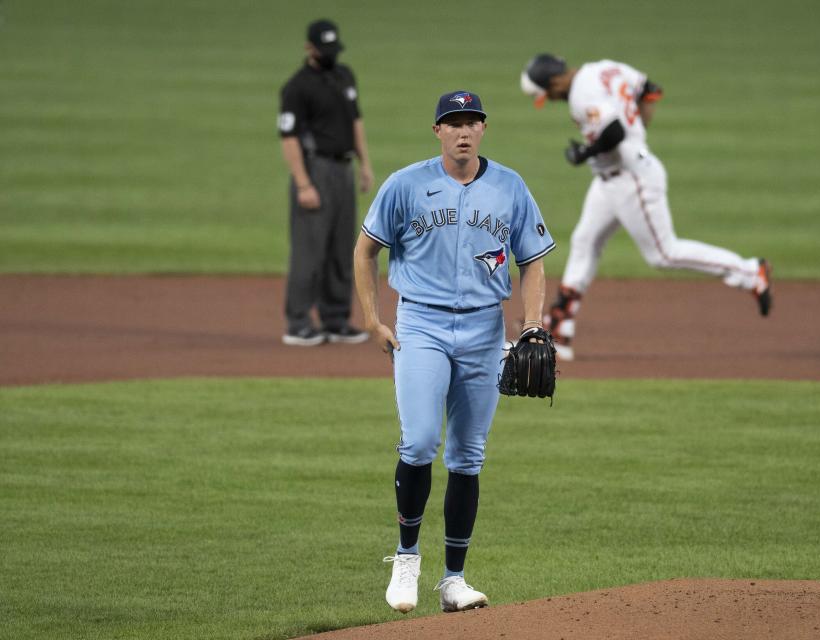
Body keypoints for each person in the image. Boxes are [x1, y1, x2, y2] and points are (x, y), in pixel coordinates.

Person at [354, 90, 555, 613]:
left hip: (485, 332)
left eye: (472, 122)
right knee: (420, 442)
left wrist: (531, 324)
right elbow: (365, 249)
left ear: (484, 129)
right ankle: (405, 560)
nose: (463, 132)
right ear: (437, 131)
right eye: (453, 123)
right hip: (421, 324)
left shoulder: (510, 187)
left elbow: (532, 261)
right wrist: (373, 320)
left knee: (468, 455)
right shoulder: (405, 185)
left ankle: (453, 581)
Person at [520, 54, 773, 361]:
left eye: (549, 94)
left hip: (632, 179)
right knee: (585, 242)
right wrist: (639, 127)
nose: (553, 100)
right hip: (610, 180)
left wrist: (587, 151)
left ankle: (749, 272)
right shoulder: (603, 69)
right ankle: (560, 327)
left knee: (664, 254)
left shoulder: (581, 93)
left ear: (556, 81)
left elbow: (615, 131)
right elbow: (650, 89)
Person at [277, 19, 374, 346]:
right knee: (309, 250)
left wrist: (364, 165)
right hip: (315, 170)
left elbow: (355, 121)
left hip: (343, 169)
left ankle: (335, 318)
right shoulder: (297, 87)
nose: (331, 55)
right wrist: (303, 184)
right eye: (325, 49)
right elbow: (288, 138)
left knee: (341, 247)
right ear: (310, 48)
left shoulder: (345, 76)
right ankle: (299, 322)